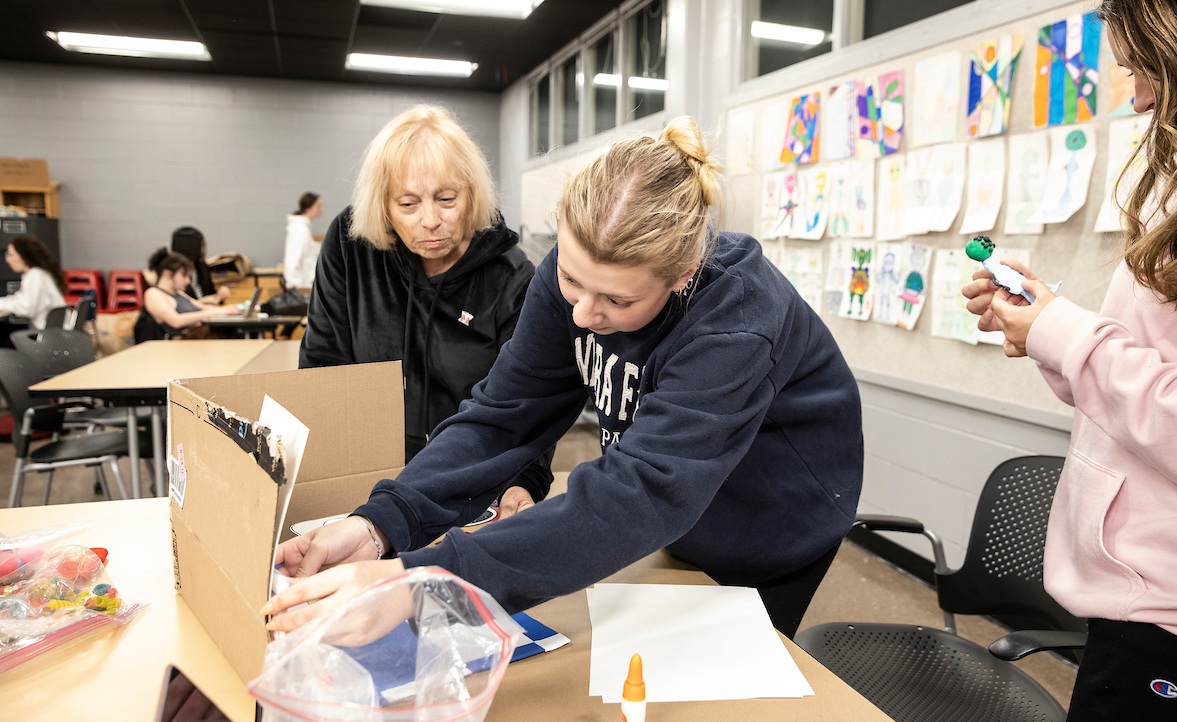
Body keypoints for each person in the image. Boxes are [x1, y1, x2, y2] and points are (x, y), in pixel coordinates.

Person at [267, 117, 864, 641]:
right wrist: (379, 526)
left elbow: (642, 492)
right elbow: (504, 416)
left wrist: (424, 581)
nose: (581, 315)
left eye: (615, 300)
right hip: (678, 517)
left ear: (682, 276)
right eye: (573, 283)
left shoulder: (737, 323)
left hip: (770, 519)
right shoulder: (571, 275)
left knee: (725, 711)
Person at [962, 0, 1177, 722]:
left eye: (1143, 68)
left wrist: (1066, 332)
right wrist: (1045, 322)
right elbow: (1152, 371)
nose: (1132, 96)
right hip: (1137, 603)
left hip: (1176, 622)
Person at [299, 104, 553, 507]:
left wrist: (524, 484)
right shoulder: (352, 247)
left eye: (446, 199)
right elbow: (322, 367)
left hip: (470, 483)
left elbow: (528, 402)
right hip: (365, 475)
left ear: (472, 194)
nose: (430, 220)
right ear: (383, 205)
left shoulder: (512, 279)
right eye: (408, 204)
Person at [133, 248, 240, 343]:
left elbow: (200, 306)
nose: (188, 281)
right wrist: (210, 313)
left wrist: (229, 309)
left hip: (192, 342)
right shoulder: (154, 294)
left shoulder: (178, 293)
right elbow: (176, 321)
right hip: (175, 347)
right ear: (167, 274)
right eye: (184, 275)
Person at [0, 236, 67, 340]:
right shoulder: (37, 274)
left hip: (44, 336)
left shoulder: (35, 275)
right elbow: (20, 299)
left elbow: (27, 308)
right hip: (51, 332)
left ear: (23, 256)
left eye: (11, 255)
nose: (8, 260)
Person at [170, 227, 230, 305]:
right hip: (191, 314)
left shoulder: (201, 267)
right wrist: (201, 301)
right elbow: (178, 306)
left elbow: (210, 294)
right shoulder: (173, 273)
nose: (203, 250)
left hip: (207, 312)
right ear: (190, 249)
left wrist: (220, 296)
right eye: (201, 246)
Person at [284, 192, 323, 289]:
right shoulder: (300, 230)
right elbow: (292, 261)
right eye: (318, 206)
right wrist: (297, 290)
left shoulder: (303, 228)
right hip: (301, 287)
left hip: (306, 284)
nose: (321, 210)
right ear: (308, 208)